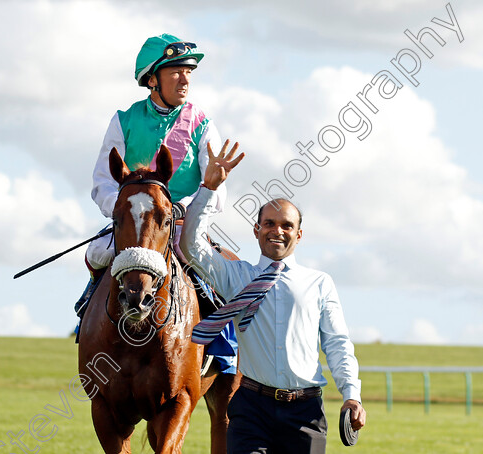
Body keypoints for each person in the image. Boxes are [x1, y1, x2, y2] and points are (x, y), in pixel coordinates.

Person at [181, 141, 367, 453]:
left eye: (286, 225)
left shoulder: (320, 283)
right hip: (251, 407)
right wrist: (208, 189)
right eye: (269, 223)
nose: (276, 231)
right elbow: (193, 247)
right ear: (256, 230)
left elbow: (337, 343)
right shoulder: (236, 276)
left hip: (305, 414)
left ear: (299, 234)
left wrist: (352, 393)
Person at [76, 33, 226, 313]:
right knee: (97, 251)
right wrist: (123, 209)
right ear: (153, 79)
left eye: (188, 71)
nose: (185, 79)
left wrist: (183, 208)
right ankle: (91, 306)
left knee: (207, 264)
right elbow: (102, 182)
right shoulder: (123, 120)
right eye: (176, 72)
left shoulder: (203, 124)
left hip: (183, 223)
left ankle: (222, 341)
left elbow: (215, 188)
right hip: (134, 222)